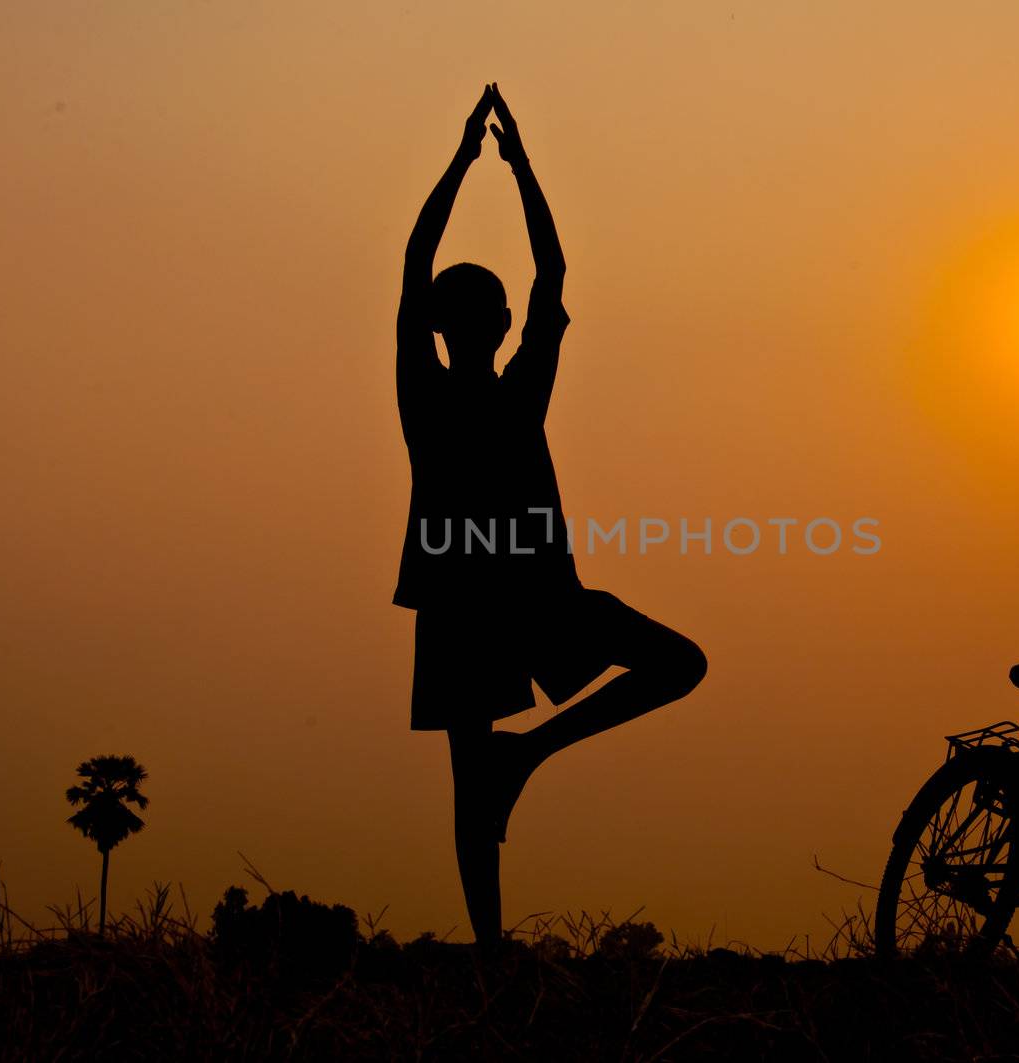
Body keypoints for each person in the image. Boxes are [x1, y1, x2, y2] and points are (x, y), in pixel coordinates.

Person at [394, 85, 707, 951]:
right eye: (494, 305)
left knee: (475, 777)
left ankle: (516, 792)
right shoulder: (489, 392)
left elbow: (423, 265)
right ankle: (517, 805)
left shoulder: (444, 393)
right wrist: (511, 163)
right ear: (492, 323)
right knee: (675, 665)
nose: (502, 312)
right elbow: (544, 275)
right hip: (509, 600)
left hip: (495, 599)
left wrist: (468, 163)